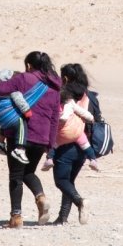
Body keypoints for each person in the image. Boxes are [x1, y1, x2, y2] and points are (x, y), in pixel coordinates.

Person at [0, 51, 62, 228]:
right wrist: (50, 143)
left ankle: (16, 217)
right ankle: (41, 197)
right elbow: (55, 118)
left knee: (16, 176)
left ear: (29, 65)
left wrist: (10, 79)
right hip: (42, 137)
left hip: (19, 135)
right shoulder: (54, 88)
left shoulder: (23, 78)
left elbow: (0, 89)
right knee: (29, 172)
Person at [49, 62, 96, 225]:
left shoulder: (62, 95)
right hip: (84, 145)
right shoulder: (91, 96)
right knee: (69, 181)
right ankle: (62, 217)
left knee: (61, 181)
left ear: (66, 78)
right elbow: (95, 119)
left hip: (64, 144)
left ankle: (80, 202)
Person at [0, 68, 35, 163]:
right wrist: (26, 111)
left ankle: (0, 143)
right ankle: (20, 148)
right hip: (7, 116)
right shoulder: (13, 88)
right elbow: (20, 100)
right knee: (21, 123)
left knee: (6, 123)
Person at [55, 84, 101, 172]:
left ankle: (49, 159)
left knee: (53, 145)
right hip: (77, 132)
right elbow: (82, 112)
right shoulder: (71, 102)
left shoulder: (54, 105)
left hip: (62, 135)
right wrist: (91, 118)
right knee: (86, 145)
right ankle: (93, 160)